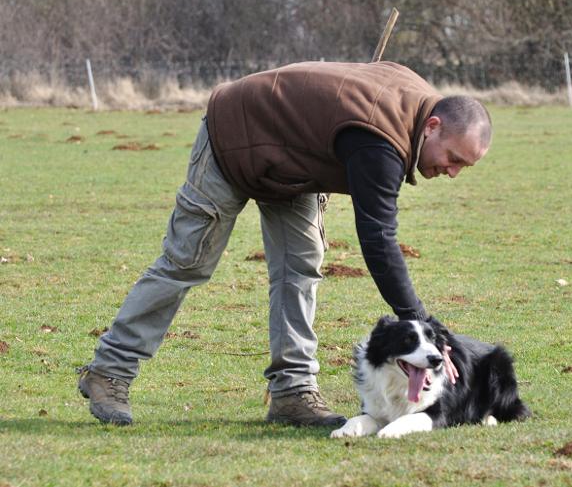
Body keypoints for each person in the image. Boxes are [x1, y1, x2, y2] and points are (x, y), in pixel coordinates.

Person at [77, 60, 492, 427]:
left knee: (301, 268)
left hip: (294, 164)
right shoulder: (379, 143)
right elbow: (379, 239)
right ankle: (109, 372)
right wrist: (424, 325)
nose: (452, 172)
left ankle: (292, 393)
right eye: (453, 158)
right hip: (237, 136)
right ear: (433, 126)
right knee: (187, 262)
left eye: (464, 167)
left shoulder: (417, 110)